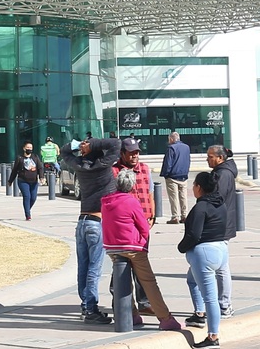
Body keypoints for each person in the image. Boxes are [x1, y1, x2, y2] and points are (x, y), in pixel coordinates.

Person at [101, 168, 182, 331]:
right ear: (132, 186)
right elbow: (143, 226)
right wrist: (145, 242)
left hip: (112, 247)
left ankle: (131, 314)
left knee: (123, 282)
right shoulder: (131, 201)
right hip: (133, 246)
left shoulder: (105, 201)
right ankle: (165, 318)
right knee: (149, 282)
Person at [60, 134, 122, 324]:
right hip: (97, 221)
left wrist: (80, 145)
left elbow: (63, 150)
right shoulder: (103, 166)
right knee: (94, 269)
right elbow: (116, 143)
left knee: (83, 267)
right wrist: (92, 144)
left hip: (82, 222)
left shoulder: (79, 166)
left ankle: (85, 304)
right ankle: (91, 308)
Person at [178, 171, 227, 349]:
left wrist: (181, 247)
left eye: (194, 185)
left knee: (210, 298)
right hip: (221, 249)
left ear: (199, 187)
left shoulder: (201, 207)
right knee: (192, 280)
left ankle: (213, 336)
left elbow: (194, 234)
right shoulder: (220, 204)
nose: (193, 188)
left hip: (204, 253)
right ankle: (199, 314)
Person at [112, 138, 155, 313]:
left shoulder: (144, 169)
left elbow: (150, 192)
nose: (135, 155)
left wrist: (152, 216)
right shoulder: (114, 171)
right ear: (122, 154)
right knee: (121, 264)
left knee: (141, 265)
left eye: (136, 152)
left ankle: (144, 302)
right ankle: (119, 303)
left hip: (143, 224)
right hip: (124, 226)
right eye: (131, 152)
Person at [198, 145, 236, 319]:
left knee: (221, 268)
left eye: (210, 156)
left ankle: (224, 305)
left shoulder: (222, 174)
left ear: (220, 158)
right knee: (220, 267)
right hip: (221, 224)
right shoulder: (222, 172)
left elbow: (215, 198)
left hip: (219, 226)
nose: (207, 159)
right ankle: (221, 305)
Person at [160, 131, 191, 224]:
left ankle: (175, 216)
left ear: (172, 139)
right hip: (183, 175)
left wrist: (165, 173)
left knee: (173, 197)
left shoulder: (171, 148)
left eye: (169, 139)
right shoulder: (186, 147)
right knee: (183, 196)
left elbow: (168, 162)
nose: (169, 141)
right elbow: (188, 160)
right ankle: (184, 215)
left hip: (172, 176)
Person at [8, 141, 41, 221]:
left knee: (33, 198)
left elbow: (40, 168)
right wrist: (10, 181)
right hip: (23, 181)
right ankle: (28, 215)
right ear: (24, 148)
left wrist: (42, 177)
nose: (29, 149)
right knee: (27, 196)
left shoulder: (35, 157)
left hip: (34, 181)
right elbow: (15, 170)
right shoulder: (20, 158)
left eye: (31, 148)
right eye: (28, 148)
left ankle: (27, 209)